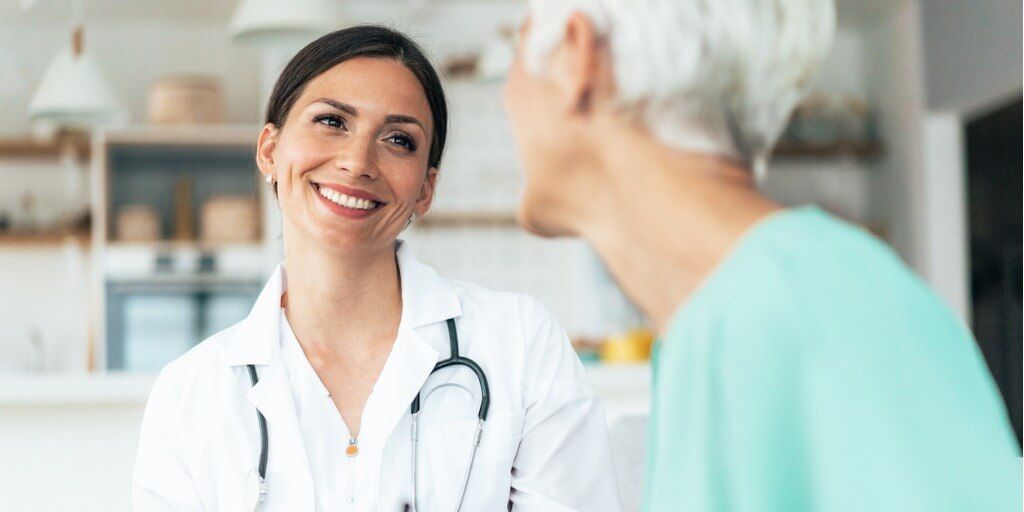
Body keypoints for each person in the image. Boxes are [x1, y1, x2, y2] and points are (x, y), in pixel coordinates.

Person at [503, 0, 1021, 510]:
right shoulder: (702, 337)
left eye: (517, 47)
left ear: (576, 55)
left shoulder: (819, 301)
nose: (506, 99)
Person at [133, 25, 621, 512]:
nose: (357, 161)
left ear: (425, 189)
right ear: (269, 151)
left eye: (399, 140)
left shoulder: (520, 345)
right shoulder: (190, 393)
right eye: (331, 122)